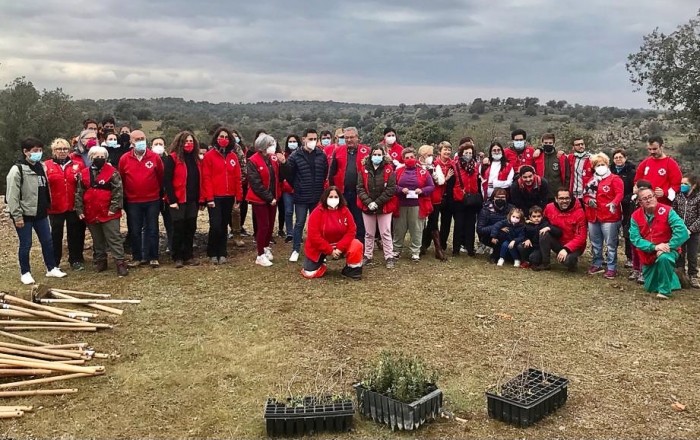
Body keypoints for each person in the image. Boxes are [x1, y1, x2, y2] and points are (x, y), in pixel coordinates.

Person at [6, 138, 68, 284]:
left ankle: (51, 268)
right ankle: (25, 272)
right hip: (25, 214)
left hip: (41, 213)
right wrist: (17, 216)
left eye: (40, 150)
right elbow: (12, 196)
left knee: (47, 241)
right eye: (34, 151)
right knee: (26, 244)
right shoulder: (18, 170)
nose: (38, 153)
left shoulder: (41, 166)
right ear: (25, 152)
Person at [75, 146, 128, 276]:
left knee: (114, 237)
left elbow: (118, 191)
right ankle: (101, 261)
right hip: (91, 210)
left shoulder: (113, 172)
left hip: (109, 211)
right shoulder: (84, 173)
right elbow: (79, 192)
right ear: (91, 158)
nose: (99, 159)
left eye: (102, 157)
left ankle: (120, 262)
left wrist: (113, 208)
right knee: (97, 238)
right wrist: (79, 209)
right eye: (96, 157)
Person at [630, 187, 690, 299]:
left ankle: (664, 292)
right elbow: (635, 238)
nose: (648, 200)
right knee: (650, 288)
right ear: (640, 202)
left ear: (655, 197)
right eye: (644, 198)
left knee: (664, 258)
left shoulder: (668, 211)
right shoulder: (635, 216)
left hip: (669, 250)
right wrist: (654, 247)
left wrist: (668, 246)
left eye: (650, 197)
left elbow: (682, 231)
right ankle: (676, 276)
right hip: (648, 252)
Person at [119, 130, 164, 268]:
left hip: (152, 200)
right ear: (131, 142)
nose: (140, 141)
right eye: (137, 139)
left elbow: (161, 176)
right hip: (132, 201)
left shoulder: (154, 157)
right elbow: (121, 179)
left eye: (142, 138)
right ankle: (137, 257)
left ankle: (153, 257)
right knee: (135, 230)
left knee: (153, 228)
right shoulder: (124, 159)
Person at [285, 129, 329, 262]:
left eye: (315, 139)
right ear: (304, 139)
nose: (313, 142)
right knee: (299, 223)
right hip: (301, 196)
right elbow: (289, 175)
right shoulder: (295, 156)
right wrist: (298, 186)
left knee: (318, 225)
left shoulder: (321, 155)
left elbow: (325, 172)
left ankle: (319, 250)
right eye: (310, 139)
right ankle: (296, 249)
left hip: (317, 195)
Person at [301, 187, 363, 279]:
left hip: (339, 245)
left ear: (340, 198)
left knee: (357, 245)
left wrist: (340, 248)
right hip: (320, 247)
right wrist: (329, 250)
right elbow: (314, 236)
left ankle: (352, 269)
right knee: (310, 273)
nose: (333, 199)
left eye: (336, 197)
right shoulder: (317, 212)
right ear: (325, 198)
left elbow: (351, 230)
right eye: (330, 197)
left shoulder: (345, 210)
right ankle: (322, 263)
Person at [201, 127, 243, 265]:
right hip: (215, 197)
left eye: (226, 137)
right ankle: (212, 252)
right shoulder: (209, 156)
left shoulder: (233, 157)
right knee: (215, 225)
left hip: (229, 196)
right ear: (216, 139)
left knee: (224, 225)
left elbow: (237, 178)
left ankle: (222, 252)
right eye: (221, 137)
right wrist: (209, 198)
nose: (223, 139)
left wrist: (239, 196)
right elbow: (206, 177)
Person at [45, 138, 86, 270]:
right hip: (55, 206)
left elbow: (82, 185)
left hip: (73, 206)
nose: (62, 152)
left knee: (75, 233)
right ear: (53, 151)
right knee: (55, 235)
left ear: (69, 150)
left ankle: (76, 259)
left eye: (65, 149)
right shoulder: (46, 166)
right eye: (59, 149)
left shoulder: (77, 165)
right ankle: (54, 262)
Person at [163, 131, 202, 268]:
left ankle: (188, 255)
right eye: (186, 142)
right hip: (178, 200)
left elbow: (200, 180)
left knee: (190, 227)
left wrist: (201, 199)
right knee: (178, 228)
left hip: (192, 200)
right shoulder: (172, 158)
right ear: (180, 143)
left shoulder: (196, 159)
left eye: (191, 141)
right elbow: (167, 180)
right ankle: (177, 256)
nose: (189, 144)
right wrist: (172, 200)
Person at [582, 153, 624, 279]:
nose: (600, 167)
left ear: (607, 165)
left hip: (609, 216)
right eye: (597, 165)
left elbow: (619, 194)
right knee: (595, 242)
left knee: (610, 243)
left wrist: (613, 203)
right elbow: (585, 194)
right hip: (593, 215)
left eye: (602, 164)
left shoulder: (614, 179)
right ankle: (597, 263)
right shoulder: (591, 180)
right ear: (593, 167)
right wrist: (589, 200)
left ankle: (611, 267)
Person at [357, 145, 397, 268]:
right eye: (375, 154)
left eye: (379, 154)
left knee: (385, 232)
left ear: (383, 156)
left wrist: (377, 202)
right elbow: (360, 188)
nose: (377, 157)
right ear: (370, 155)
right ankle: (368, 256)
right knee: (369, 233)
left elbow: (391, 189)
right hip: (367, 206)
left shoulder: (389, 169)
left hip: (384, 206)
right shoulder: (363, 169)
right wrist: (368, 202)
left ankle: (389, 256)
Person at [246, 134, 284, 267]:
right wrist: (269, 197)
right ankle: (260, 254)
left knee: (270, 225)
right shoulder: (253, 161)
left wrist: (283, 162)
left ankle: (266, 247)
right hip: (260, 199)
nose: (273, 147)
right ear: (262, 147)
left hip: (273, 198)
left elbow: (278, 176)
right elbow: (256, 184)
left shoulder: (272, 159)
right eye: (270, 145)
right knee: (263, 226)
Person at [392, 148, 435, 261]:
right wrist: (401, 189)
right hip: (401, 204)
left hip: (417, 205)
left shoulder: (423, 171)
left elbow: (431, 186)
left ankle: (415, 251)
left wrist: (422, 190)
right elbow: (391, 186)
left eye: (411, 157)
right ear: (403, 159)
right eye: (407, 158)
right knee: (399, 228)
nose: (410, 159)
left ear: (415, 157)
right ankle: (396, 250)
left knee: (416, 229)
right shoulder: (398, 171)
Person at [533, 188, 587, 272]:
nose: (564, 201)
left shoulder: (580, 212)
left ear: (571, 198)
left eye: (567, 198)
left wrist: (567, 249)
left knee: (568, 261)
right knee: (544, 233)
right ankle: (545, 263)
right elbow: (542, 222)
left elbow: (581, 237)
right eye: (561, 198)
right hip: (558, 242)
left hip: (573, 246)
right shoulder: (549, 207)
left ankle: (572, 261)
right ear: (556, 199)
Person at [328, 127, 366, 240]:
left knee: (359, 220)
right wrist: (332, 190)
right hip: (342, 192)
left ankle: (360, 245)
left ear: (357, 138)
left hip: (360, 193)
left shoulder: (366, 151)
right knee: (342, 220)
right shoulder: (338, 151)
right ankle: (342, 246)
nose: (349, 140)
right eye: (346, 138)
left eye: (351, 137)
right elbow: (332, 172)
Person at [419, 142, 452, 260]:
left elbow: (441, 181)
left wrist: (443, 177)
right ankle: (422, 245)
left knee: (433, 222)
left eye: (431, 155)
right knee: (421, 223)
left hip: (435, 198)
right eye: (429, 155)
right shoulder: (416, 166)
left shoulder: (434, 167)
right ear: (422, 155)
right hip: (421, 198)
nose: (431, 157)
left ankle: (437, 249)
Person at [634, 136, 682, 206]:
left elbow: (676, 185)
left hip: (663, 205)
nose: (652, 152)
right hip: (645, 205)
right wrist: (637, 189)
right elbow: (637, 181)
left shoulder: (671, 164)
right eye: (649, 149)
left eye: (654, 149)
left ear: (661, 146)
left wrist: (665, 193)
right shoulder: (645, 162)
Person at [452, 143, 482, 257]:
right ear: (461, 153)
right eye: (466, 153)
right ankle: (456, 249)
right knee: (459, 224)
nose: (468, 155)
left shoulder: (476, 166)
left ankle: (470, 248)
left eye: (470, 153)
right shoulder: (455, 165)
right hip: (459, 198)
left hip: (472, 198)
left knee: (470, 225)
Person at [611, 149, 637, 267]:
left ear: (625, 158)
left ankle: (630, 257)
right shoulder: (609, 171)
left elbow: (634, 190)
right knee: (612, 231)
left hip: (627, 206)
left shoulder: (632, 172)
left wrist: (623, 200)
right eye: (616, 157)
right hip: (612, 206)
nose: (618, 159)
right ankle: (611, 255)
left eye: (620, 157)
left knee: (627, 230)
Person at [673, 176, 700, 288]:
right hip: (680, 231)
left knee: (692, 254)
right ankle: (680, 275)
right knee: (680, 253)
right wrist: (678, 228)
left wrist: (690, 229)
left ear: (693, 186)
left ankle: (693, 275)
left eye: (685, 184)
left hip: (693, 232)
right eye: (681, 183)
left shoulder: (698, 198)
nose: (682, 186)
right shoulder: (678, 196)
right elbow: (673, 212)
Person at [477, 189, 513, 262]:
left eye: (502, 197)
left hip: (508, 234)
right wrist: (498, 228)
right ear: (493, 198)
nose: (500, 199)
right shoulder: (485, 210)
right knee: (500, 234)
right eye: (498, 197)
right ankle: (495, 255)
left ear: (506, 198)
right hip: (489, 236)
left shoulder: (511, 209)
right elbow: (480, 229)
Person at [151, 137, 173, 254]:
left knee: (170, 223)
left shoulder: (169, 160)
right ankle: (152, 250)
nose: (158, 145)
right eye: (156, 144)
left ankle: (171, 246)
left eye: (161, 143)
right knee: (151, 225)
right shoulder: (148, 160)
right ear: (151, 146)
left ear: (165, 146)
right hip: (152, 197)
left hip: (167, 197)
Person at [536, 133, 568, 202]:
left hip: (557, 194)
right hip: (541, 193)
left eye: (550, 143)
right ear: (542, 143)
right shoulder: (538, 157)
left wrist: (565, 191)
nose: (548, 144)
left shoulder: (560, 157)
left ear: (554, 143)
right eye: (546, 143)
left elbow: (567, 177)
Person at [279, 134, 300, 243]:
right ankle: (290, 233)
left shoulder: (301, 154)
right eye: (290, 141)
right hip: (287, 189)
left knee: (299, 212)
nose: (292, 143)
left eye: (294, 141)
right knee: (288, 211)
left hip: (299, 188)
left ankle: (298, 233)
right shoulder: (283, 155)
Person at [565, 136, 592, 205]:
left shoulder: (592, 158)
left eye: (582, 144)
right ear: (573, 147)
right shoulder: (570, 157)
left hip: (587, 194)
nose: (581, 146)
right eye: (577, 145)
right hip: (573, 194)